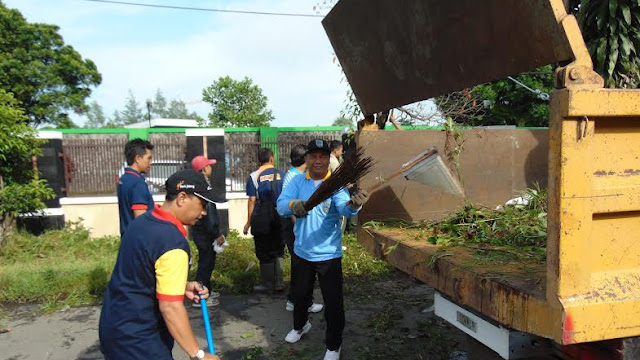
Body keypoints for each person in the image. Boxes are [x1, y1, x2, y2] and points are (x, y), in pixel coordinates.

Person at [99, 169, 221, 360]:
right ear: (182, 198)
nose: (204, 212)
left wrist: (182, 286)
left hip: (114, 328)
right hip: (140, 341)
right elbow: (170, 307)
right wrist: (198, 354)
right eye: (202, 204)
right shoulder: (172, 242)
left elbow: (141, 274)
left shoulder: (143, 223)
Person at [276, 139, 370, 360]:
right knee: (300, 297)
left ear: (329, 159)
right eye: (313, 156)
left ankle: (333, 345)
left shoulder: (335, 187)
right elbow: (281, 204)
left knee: (333, 303)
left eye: (322, 156)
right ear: (306, 159)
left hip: (328, 255)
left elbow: (344, 210)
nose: (318, 160)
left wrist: (355, 204)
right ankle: (300, 326)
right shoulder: (298, 182)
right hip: (301, 252)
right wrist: (292, 205)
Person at [280, 145, 323, 313]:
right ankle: (298, 301)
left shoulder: (294, 174)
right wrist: (298, 226)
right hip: (293, 226)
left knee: (301, 265)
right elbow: (289, 206)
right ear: (305, 159)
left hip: (293, 226)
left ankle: (299, 300)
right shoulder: (295, 178)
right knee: (301, 264)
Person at [243, 147, 285, 292]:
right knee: (279, 247)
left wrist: (248, 222)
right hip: (280, 214)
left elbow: (252, 200)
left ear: (259, 160)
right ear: (272, 159)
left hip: (262, 216)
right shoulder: (283, 174)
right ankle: (279, 282)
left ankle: (268, 284)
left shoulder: (254, 176)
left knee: (263, 248)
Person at [190, 156, 226, 307]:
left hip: (201, 231)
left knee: (207, 261)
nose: (211, 168)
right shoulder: (203, 185)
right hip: (205, 232)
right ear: (204, 169)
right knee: (206, 263)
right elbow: (209, 212)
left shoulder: (197, 184)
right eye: (209, 166)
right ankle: (201, 297)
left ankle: (207, 289)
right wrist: (216, 233)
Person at [117, 138, 155, 237]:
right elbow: (141, 220)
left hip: (127, 238)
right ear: (138, 159)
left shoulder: (124, 179)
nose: (150, 163)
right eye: (149, 158)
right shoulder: (137, 183)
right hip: (139, 241)